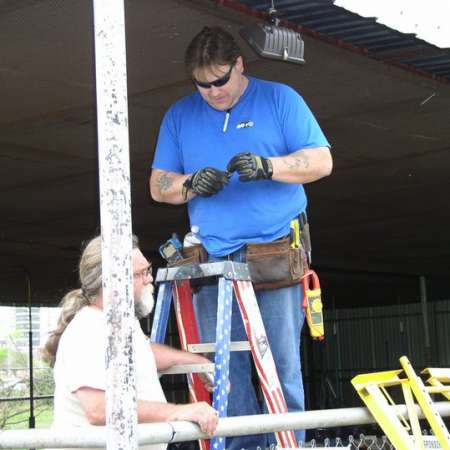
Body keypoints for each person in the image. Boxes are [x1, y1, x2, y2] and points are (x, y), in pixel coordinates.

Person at [150, 26, 332, 449]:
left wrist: (270, 167)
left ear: (239, 65)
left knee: (280, 365)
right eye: (202, 84)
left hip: (274, 255)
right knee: (225, 370)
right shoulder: (179, 114)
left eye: (220, 81)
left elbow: (321, 161)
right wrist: (192, 183)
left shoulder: (280, 98)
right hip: (214, 260)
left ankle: (288, 444)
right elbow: (159, 186)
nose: (212, 92)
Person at [42, 235, 218, 450]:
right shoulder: (87, 329)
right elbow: (98, 409)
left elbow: (144, 354)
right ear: (111, 280)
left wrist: (197, 363)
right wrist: (177, 411)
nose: (148, 279)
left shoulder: (122, 324)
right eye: (140, 274)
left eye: (148, 270)